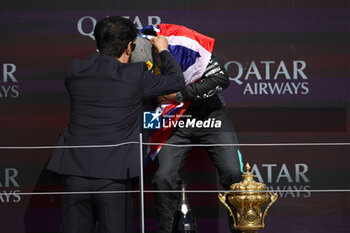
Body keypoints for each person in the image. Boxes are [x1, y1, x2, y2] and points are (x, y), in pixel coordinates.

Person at [46, 16, 185, 233]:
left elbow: (99, 63)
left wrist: (104, 44)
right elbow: (177, 83)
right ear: (130, 47)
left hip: (74, 174)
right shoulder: (136, 76)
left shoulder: (75, 70)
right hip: (114, 179)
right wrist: (164, 51)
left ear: (98, 42)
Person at [138, 26, 243, 233]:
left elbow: (221, 79)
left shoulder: (187, 45)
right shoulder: (134, 55)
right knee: (163, 177)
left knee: (234, 173)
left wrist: (179, 95)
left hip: (210, 115)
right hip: (172, 120)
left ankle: (242, 229)